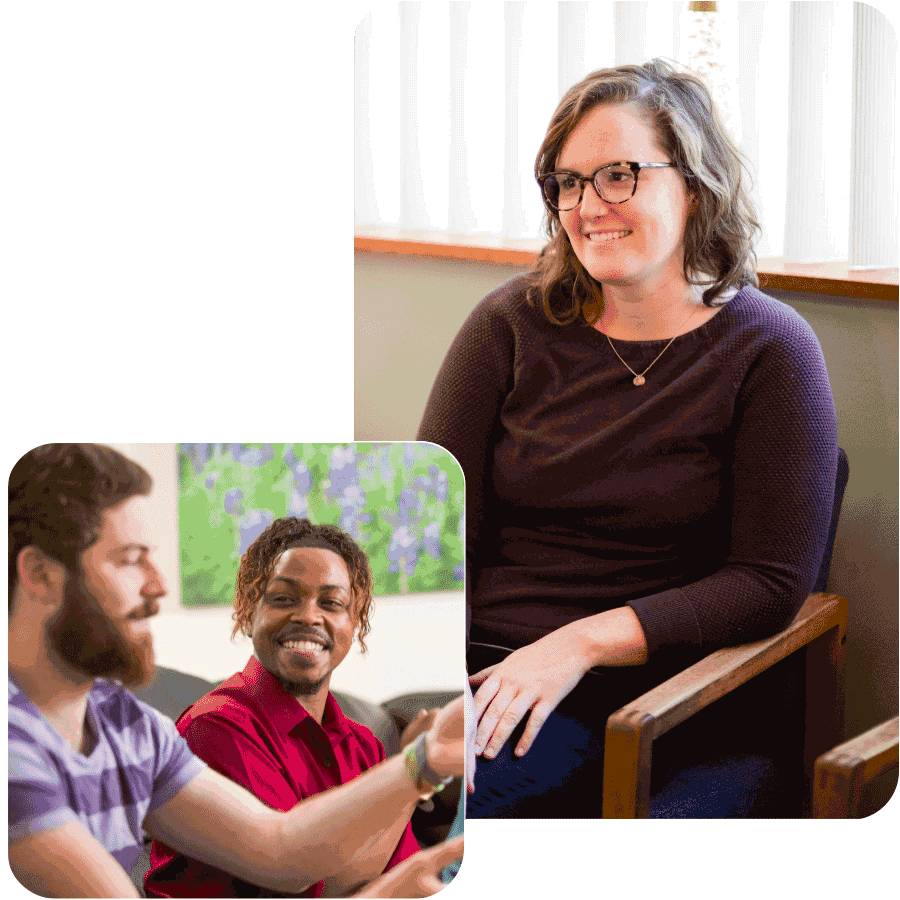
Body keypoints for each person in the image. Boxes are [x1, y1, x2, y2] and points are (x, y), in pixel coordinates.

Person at [417, 59, 838, 818]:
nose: (587, 206)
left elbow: (770, 584)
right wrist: (416, 678)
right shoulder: (507, 325)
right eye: (567, 182)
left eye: (617, 175)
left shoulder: (773, 350)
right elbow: (431, 526)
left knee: (428, 820)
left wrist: (576, 645)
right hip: (474, 670)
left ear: (695, 182)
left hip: (634, 696)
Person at [8, 444, 464, 896]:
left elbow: (280, 852)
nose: (159, 584)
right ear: (42, 575)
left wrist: (424, 761)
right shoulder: (17, 742)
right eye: (129, 559)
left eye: (332, 603)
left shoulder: (130, 728)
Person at [145, 517, 428, 897]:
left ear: (355, 623)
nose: (309, 616)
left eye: (332, 603)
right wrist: (416, 772)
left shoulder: (365, 745)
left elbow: (405, 882)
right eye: (283, 598)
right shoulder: (214, 727)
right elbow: (313, 883)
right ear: (249, 608)